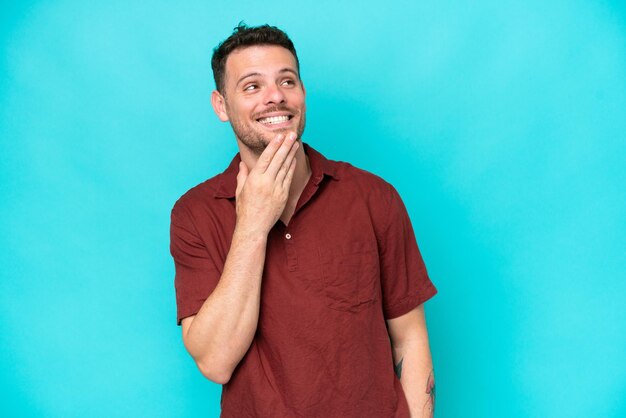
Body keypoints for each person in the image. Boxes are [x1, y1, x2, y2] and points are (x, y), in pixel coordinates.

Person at [170, 23, 437, 418]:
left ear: (302, 93)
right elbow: (215, 361)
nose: (275, 96)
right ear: (221, 105)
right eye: (252, 86)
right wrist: (252, 224)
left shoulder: (372, 196)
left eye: (287, 81)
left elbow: (410, 339)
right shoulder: (195, 213)